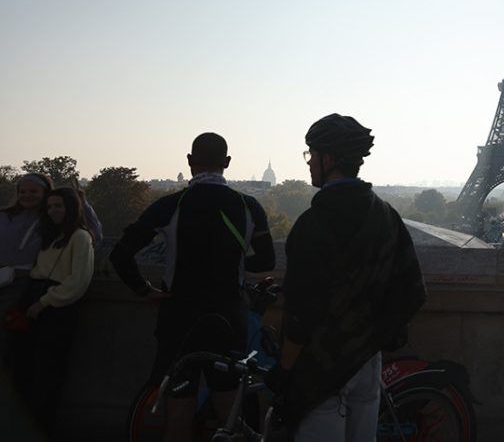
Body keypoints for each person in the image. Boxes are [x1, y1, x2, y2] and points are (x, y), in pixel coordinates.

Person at [110, 132, 275, 442]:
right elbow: (266, 260)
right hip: (228, 315)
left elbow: (120, 255)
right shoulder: (248, 205)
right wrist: (235, 264)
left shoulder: (171, 205)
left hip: (180, 317)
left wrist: (145, 290)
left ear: (189, 161)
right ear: (227, 163)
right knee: (230, 413)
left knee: (178, 414)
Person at [272, 114, 425, 441]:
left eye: (311, 155)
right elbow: (411, 291)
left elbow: (300, 313)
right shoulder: (387, 216)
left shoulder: (312, 225)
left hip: (321, 369)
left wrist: (284, 370)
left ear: (328, 159)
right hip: (367, 363)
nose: (309, 163)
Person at [9, 186, 96, 432]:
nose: (53, 211)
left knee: (48, 371)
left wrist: (44, 302)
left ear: (71, 208)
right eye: (49, 207)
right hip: (36, 297)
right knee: (25, 367)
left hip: (54, 306)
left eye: (59, 206)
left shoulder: (80, 236)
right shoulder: (51, 234)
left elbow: (77, 281)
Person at [1, 173, 54, 357]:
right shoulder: (5, 216)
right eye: (22, 191)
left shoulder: (50, 219)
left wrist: (82, 204)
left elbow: (92, 233)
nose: (27, 195)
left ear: (45, 192)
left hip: (21, 283)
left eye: (33, 191)